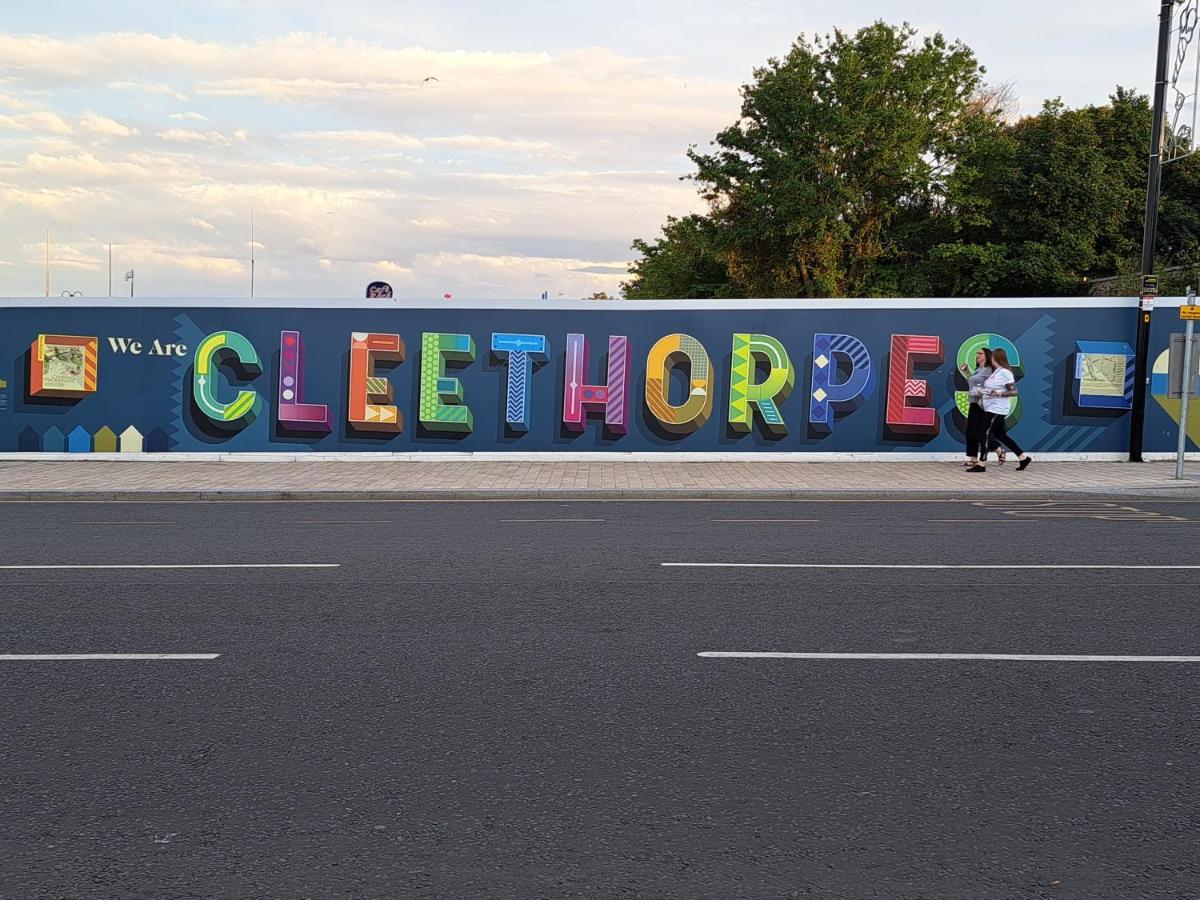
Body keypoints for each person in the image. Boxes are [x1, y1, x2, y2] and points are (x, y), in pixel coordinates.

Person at [967, 347, 1032, 473]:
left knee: (983, 434)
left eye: (992, 356)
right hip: (990, 407)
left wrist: (998, 394)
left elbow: (1013, 392)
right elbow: (990, 388)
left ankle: (981, 463)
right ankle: (1022, 457)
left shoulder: (1005, 373)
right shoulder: (996, 372)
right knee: (1000, 435)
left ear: (995, 358)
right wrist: (981, 391)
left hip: (997, 409)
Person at [960, 348, 1001, 467]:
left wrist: (982, 392)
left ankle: (997, 449)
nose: (977, 355)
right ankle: (973, 458)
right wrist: (967, 372)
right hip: (974, 402)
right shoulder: (979, 369)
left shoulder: (989, 370)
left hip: (982, 404)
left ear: (987, 356)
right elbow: (972, 382)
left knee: (979, 431)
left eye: (980, 353)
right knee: (970, 431)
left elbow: (990, 386)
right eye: (977, 353)